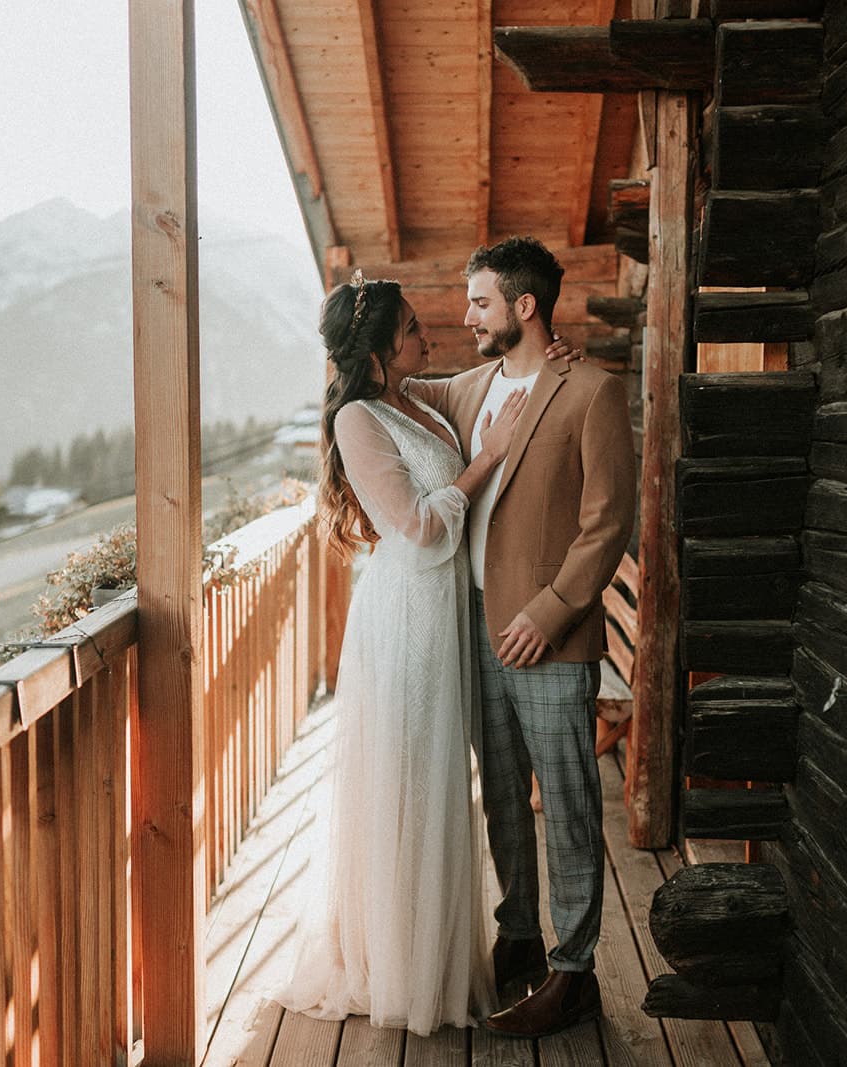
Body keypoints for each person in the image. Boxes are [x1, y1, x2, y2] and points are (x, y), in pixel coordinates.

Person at [275, 271, 529, 1034]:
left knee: (443, 780)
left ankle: (437, 956)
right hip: (406, 618)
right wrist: (487, 457)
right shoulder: (358, 418)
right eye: (414, 329)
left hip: (446, 608)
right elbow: (416, 526)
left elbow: (487, 374)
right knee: (412, 777)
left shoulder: (414, 398)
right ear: (382, 349)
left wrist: (546, 354)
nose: (430, 335)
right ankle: (403, 970)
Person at [408, 236, 637, 1038]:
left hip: (549, 634)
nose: (466, 315)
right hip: (473, 627)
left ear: (524, 306)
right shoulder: (468, 388)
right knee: (500, 791)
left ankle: (575, 974)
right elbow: (388, 384)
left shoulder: (593, 393)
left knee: (569, 801)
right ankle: (519, 937)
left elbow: (607, 523)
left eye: (479, 301)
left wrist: (548, 612)